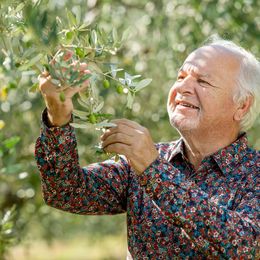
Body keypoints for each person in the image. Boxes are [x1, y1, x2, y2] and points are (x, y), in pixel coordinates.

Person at [35, 36, 260, 259]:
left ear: (242, 105)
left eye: (203, 81)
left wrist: (154, 170)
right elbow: (64, 191)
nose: (183, 87)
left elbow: (244, 247)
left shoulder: (254, 174)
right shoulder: (145, 161)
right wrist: (58, 116)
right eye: (181, 76)